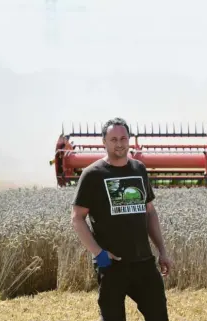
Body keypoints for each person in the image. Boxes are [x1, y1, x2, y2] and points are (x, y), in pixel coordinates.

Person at [70, 117, 172, 321]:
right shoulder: (93, 175)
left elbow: (149, 211)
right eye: (114, 139)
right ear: (104, 142)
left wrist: (162, 251)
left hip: (143, 261)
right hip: (111, 264)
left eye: (123, 138)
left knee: (159, 316)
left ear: (129, 140)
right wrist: (98, 254)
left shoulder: (139, 169)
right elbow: (77, 218)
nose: (119, 143)